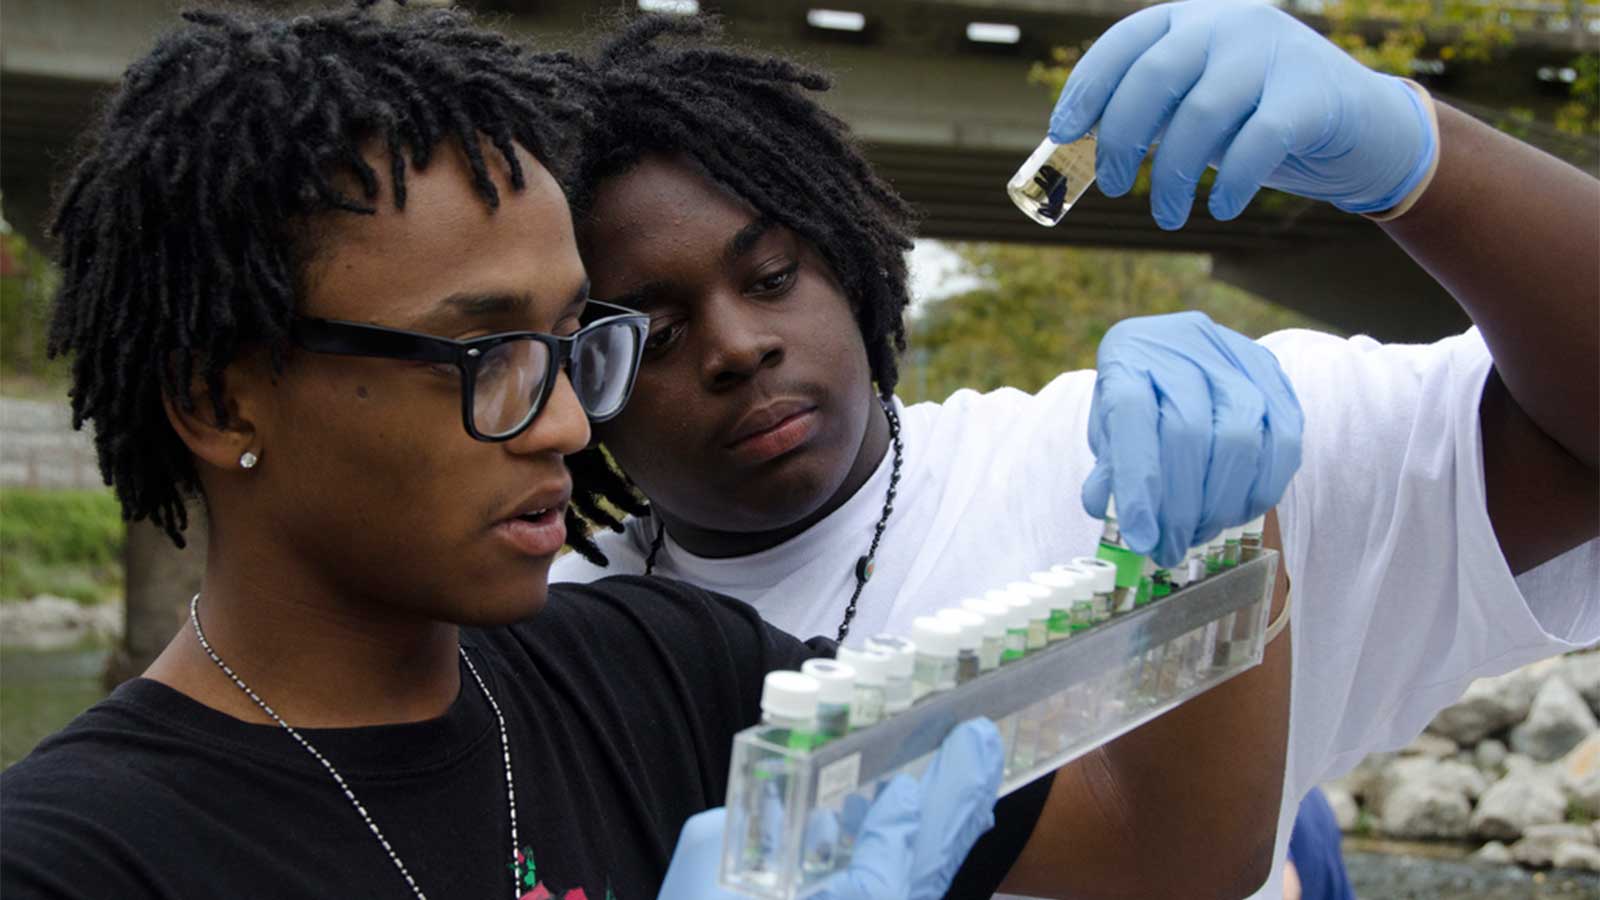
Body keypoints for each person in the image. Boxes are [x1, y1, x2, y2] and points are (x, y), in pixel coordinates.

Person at [551, 3, 1600, 898]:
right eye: (661, 334)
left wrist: (1420, 161)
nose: (739, 346)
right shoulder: (544, 644)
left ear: (846, 259)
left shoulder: (1162, 456)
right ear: (575, 378)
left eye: (772, 276)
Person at [0, 6, 1026, 898]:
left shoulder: (666, 672)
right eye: (483, 354)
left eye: (570, 346)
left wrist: (1181, 581)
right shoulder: (72, 862)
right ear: (221, 402)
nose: (569, 427)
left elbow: (1146, 837)